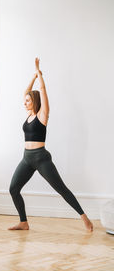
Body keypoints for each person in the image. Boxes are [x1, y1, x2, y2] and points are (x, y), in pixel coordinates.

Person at [8, 57, 93, 232]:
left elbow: (42, 91)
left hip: (41, 158)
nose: (24, 103)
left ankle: (84, 218)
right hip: (27, 158)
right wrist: (32, 76)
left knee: (61, 189)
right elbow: (26, 91)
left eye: (28, 101)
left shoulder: (42, 115)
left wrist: (39, 75)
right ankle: (23, 222)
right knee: (13, 188)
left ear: (35, 102)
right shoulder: (29, 115)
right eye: (25, 101)